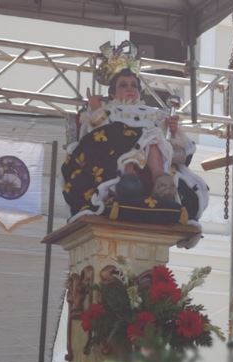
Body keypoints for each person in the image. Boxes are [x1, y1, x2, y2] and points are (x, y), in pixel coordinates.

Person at [61, 40, 209, 239]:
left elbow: (180, 153)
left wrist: (174, 133)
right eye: (123, 85)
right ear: (113, 92)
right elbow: (93, 139)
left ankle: (161, 183)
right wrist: (96, 111)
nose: (130, 89)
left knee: (154, 138)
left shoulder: (154, 115)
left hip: (153, 156)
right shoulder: (108, 110)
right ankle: (128, 178)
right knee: (123, 134)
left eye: (134, 85)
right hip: (112, 160)